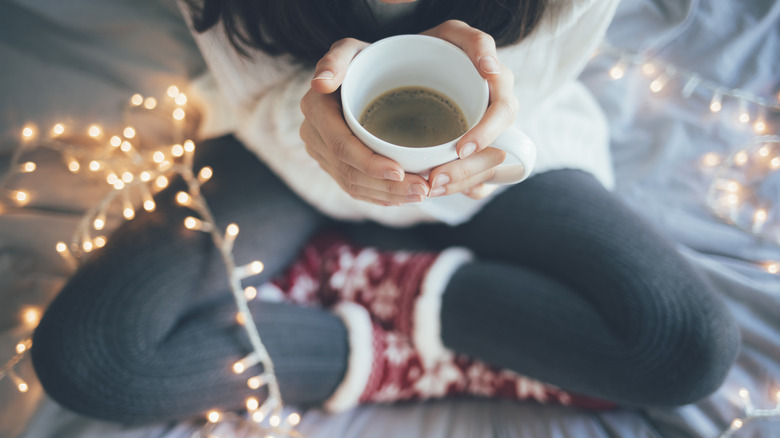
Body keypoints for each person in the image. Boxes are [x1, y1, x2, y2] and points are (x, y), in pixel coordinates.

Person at [31, 0, 740, 426]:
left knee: (687, 348)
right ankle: (418, 317)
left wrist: (493, 107)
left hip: (494, 152)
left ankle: (394, 294)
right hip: (280, 142)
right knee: (89, 358)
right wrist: (315, 126)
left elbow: (545, 75)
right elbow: (245, 83)